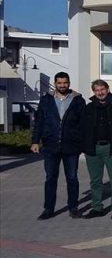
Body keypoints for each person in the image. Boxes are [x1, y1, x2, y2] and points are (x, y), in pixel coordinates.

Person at [31, 72, 86, 220]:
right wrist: (35, 141)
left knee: (72, 178)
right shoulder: (46, 100)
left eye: (65, 83)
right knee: (50, 178)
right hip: (50, 145)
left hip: (71, 146)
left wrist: (81, 144)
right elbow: (39, 121)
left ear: (69, 83)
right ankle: (48, 209)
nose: (62, 85)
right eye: (59, 83)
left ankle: (73, 208)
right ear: (55, 83)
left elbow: (83, 124)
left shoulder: (78, 100)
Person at [80, 79, 112, 220]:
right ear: (94, 92)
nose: (100, 93)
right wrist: (84, 146)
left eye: (102, 89)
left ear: (107, 89)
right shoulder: (88, 108)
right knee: (95, 181)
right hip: (93, 149)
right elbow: (82, 128)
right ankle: (97, 208)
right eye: (97, 90)